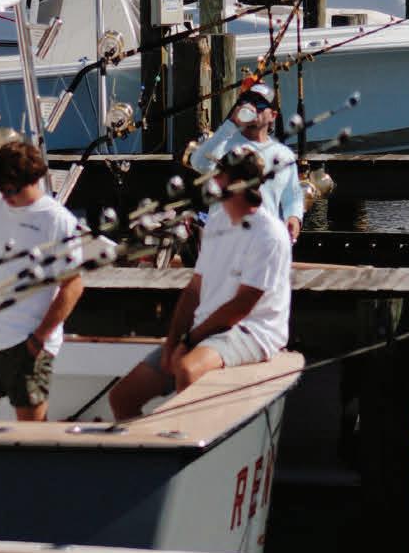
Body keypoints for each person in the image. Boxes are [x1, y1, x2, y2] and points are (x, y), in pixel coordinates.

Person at [109, 146, 293, 420]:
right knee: (122, 397)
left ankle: (185, 440)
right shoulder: (217, 222)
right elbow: (195, 289)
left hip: (253, 331)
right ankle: (147, 444)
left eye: (219, 175)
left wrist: (189, 341)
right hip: (205, 330)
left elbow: (243, 305)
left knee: (187, 370)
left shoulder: (270, 234)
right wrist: (173, 342)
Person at [0, 141, 83, 423]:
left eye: (12, 190)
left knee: (32, 435)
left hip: (29, 345)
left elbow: (73, 286)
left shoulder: (58, 220)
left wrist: (40, 338)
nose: (7, 197)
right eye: (1, 190)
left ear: (33, 180)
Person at [190, 79, 304, 241]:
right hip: (223, 242)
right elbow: (198, 163)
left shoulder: (284, 155)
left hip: (263, 241)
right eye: (246, 101)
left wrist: (294, 217)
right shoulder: (224, 143)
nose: (252, 108)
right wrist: (230, 124)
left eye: (260, 104)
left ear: (273, 115)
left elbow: (293, 195)